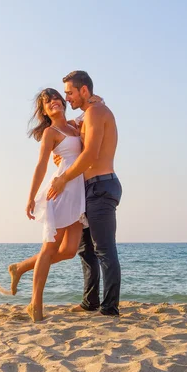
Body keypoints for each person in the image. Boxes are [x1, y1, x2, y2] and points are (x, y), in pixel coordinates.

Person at [0, 88, 87, 322]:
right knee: (49, 250)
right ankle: (35, 304)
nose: (54, 102)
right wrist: (30, 196)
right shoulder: (51, 132)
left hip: (77, 194)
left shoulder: (74, 126)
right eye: (48, 102)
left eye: (56, 98)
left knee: (68, 251)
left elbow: (92, 108)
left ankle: (20, 267)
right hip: (58, 192)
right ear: (44, 111)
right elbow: (41, 165)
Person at [48, 70, 122, 316]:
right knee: (86, 250)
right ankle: (90, 302)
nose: (67, 97)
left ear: (84, 90)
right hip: (87, 188)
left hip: (101, 185)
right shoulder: (88, 114)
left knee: (104, 249)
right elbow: (74, 134)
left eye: (70, 92)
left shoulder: (96, 112)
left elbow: (90, 154)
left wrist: (63, 179)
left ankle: (109, 308)